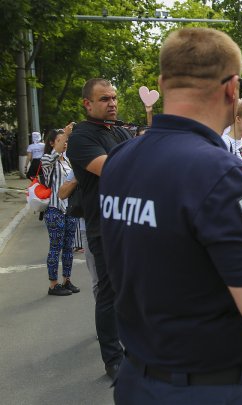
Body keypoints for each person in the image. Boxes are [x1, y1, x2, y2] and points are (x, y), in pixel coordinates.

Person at [99, 27, 242, 404]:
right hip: (216, 387)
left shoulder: (119, 160)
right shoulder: (224, 175)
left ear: (163, 83)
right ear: (232, 89)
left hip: (139, 381)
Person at [66, 77, 130, 379]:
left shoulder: (117, 131)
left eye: (114, 98)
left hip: (133, 222)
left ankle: (135, 348)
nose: (113, 103)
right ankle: (113, 359)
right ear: (87, 104)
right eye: (105, 99)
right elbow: (111, 168)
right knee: (110, 291)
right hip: (105, 227)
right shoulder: (81, 137)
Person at [41, 125, 80, 296]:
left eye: (65, 141)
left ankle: (67, 280)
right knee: (55, 248)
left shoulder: (68, 160)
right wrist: (65, 133)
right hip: (55, 210)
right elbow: (52, 158)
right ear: (51, 143)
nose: (64, 143)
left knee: (68, 247)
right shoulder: (47, 160)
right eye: (60, 141)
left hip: (69, 210)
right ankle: (53, 284)